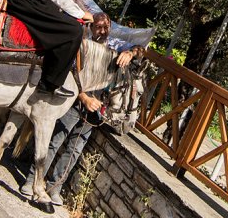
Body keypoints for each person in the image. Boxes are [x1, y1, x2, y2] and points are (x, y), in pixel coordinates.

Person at [19, 12, 141, 205]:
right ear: (91, 28)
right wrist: (84, 98)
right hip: (75, 100)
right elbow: (69, 73)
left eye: (105, 27)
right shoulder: (82, 45)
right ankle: (32, 180)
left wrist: (130, 53)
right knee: (55, 141)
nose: (102, 31)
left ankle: (54, 187)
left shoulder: (114, 45)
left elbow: (142, 49)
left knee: (75, 149)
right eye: (98, 27)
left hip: (97, 106)